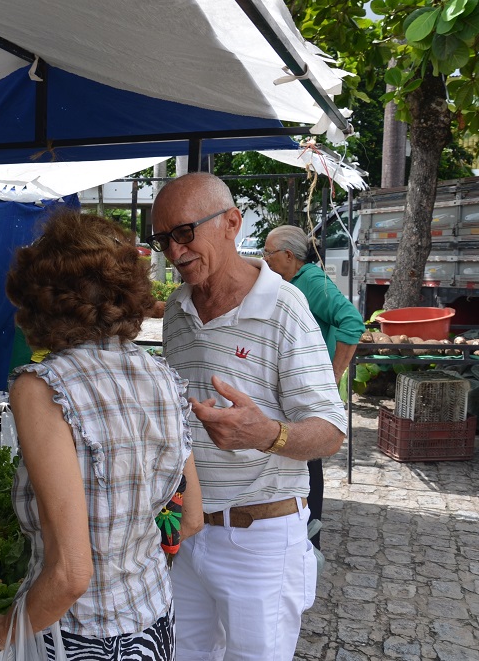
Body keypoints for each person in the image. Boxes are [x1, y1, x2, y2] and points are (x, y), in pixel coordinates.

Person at [0, 209, 201, 661]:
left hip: (78, 636)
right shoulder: (163, 375)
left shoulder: (43, 387)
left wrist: (0, 632)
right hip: (154, 620)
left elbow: (70, 574)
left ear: (39, 298)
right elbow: (190, 518)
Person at [149, 173, 346, 661]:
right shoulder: (176, 309)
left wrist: (267, 434)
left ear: (231, 223)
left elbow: (331, 433)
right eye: (162, 239)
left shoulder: (285, 306)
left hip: (258, 542)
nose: (174, 252)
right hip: (184, 533)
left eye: (184, 233)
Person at [264, 224, 365, 550]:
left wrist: (332, 375)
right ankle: (302, 535)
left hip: (311, 390)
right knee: (302, 461)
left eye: (268, 253)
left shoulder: (311, 281)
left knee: (310, 463)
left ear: (288, 256)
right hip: (298, 389)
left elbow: (352, 321)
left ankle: (310, 541)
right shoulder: (295, 281)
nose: (264, 259)